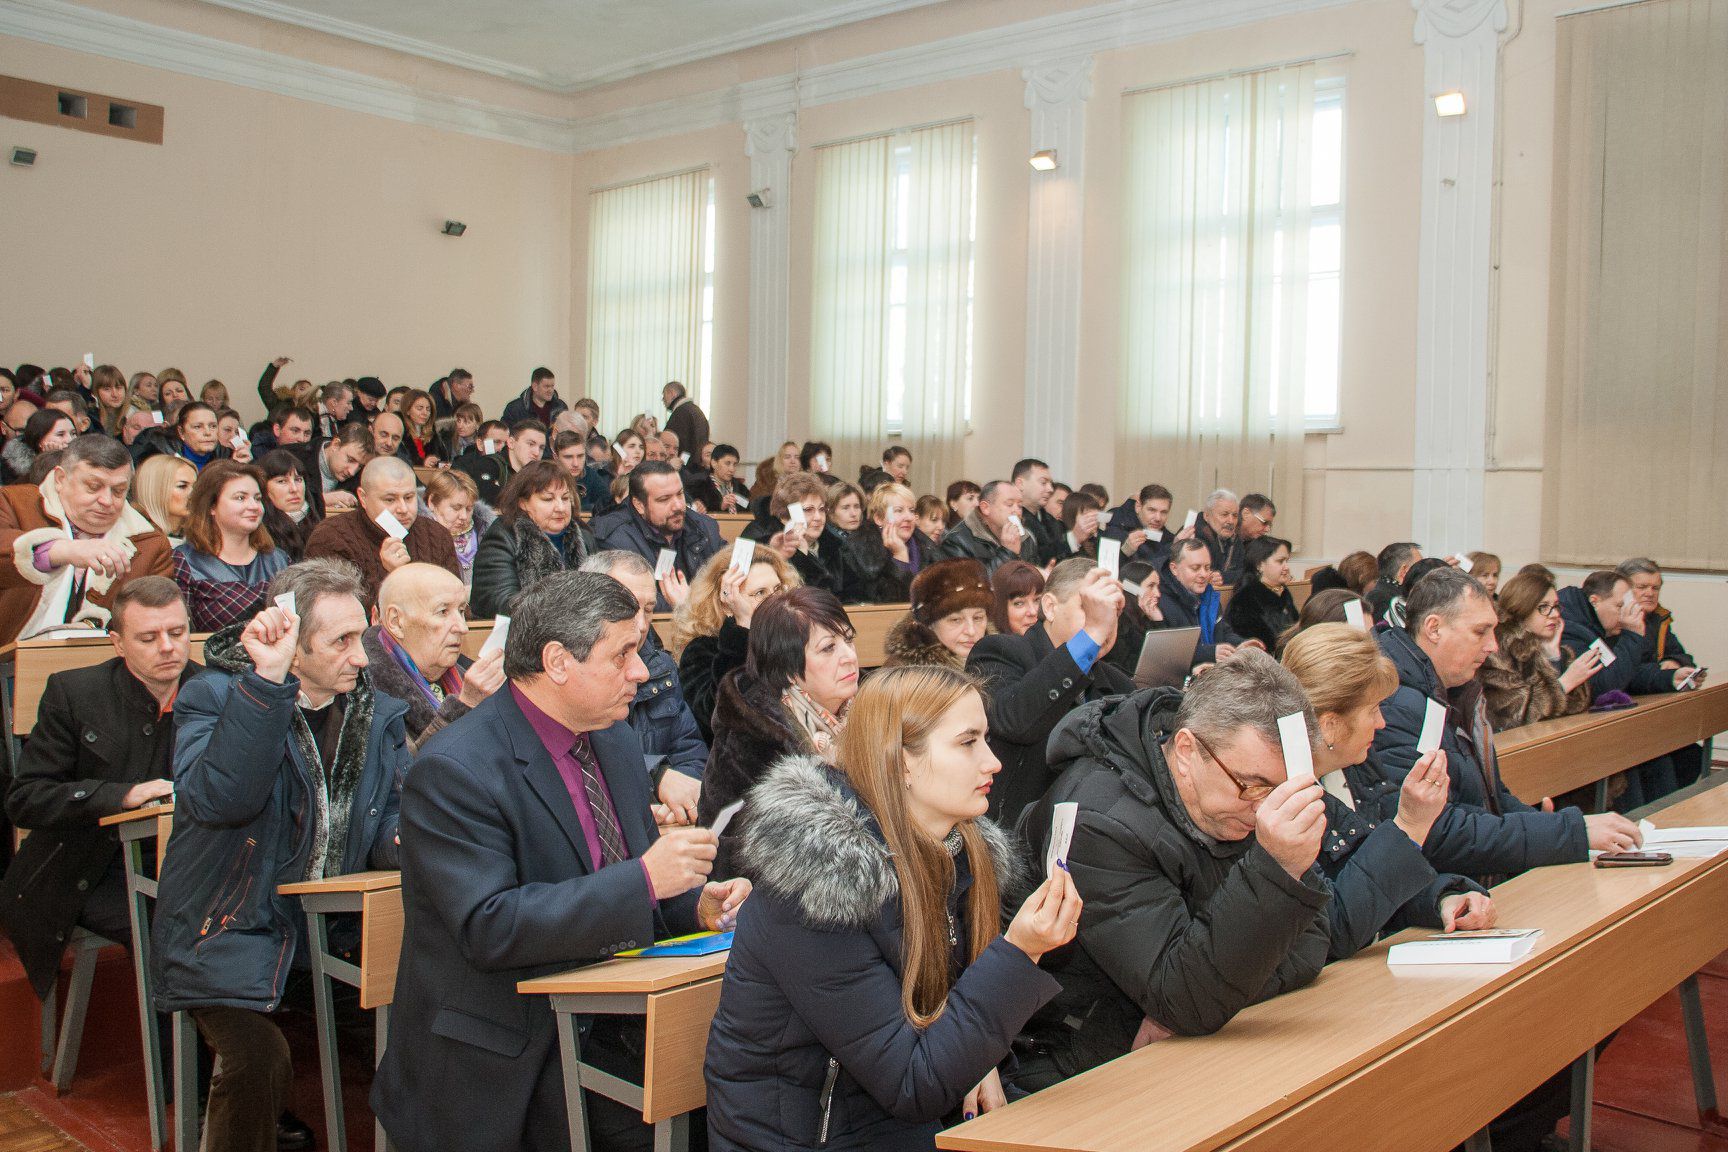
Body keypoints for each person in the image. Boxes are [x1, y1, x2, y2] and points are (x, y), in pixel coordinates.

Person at [373, 571, 748, 1152]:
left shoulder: (613, 739)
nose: (641, 672)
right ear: (557, 662)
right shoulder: (455, 768)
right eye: (622, 654)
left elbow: (630, 886)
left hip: (610, 1017)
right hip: (508, 1051)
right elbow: (489, 926)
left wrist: (695, 904)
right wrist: (647, 881)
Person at [705, 664, 1079, 1151]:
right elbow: (911, 1084)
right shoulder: (817, 892)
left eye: (985, 740)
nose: (993, 762)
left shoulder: (956, 853)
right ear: (901, 762)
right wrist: (1020, 952)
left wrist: (981, 1060)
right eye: (968, 743)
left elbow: (944, 1021)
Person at [152, 559, 405, 1152]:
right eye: (341, 641)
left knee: (433, 1032)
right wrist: (266, 684)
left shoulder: (375, 713)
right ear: (292, 644)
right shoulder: (216, 696)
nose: (361, 657)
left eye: (362, 637)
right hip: (227, 932)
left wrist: (403, 840)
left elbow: (385, 819)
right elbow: (220, 800)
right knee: (257, 1057)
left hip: (331, 931)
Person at [1013, 651, 1332, 1085]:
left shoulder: (1231, 800)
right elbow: (1188, 999)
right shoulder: (1099, 821)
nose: (1264, 811)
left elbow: (1313, 943)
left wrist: (1207, 992)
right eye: (1252, 786)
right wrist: (1275, 865)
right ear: (1186, 751)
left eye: (1280, 793)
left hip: (1181, 1051)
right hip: (1078, 1067)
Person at [1365, 567, 1641, 884]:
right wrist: (1565, 832)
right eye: (1480, 632)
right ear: (1434, 628)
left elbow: (1490, 797)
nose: (1493, 646)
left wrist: (1543, 826)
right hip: (1443, 889)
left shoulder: (1455, 691)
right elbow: (1438, 832)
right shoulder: (1397, 706)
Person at [0, 577, 195, 1002]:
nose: (167, 647)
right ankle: (186, 1047)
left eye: (177, 632)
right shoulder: (74, 692)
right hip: (88, 866)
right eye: (148, 638)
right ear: (118, 643)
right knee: (171, 931)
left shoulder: (214, 689)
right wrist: (120, 796)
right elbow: (26, 798)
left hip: (185, 862)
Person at [1280, 624, 1494, 958]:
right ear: (1330, 725)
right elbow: (1334, 927)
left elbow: (1372, 878)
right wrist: (1410, 824)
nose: (1381, 723)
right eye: (1373, 709)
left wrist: (1443, 898)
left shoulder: (1355, 765)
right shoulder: (1282, 799)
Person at [698, 587, 859, 874]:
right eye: (828, 648)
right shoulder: (753, 736)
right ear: (788, 669)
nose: (849, 656)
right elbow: (729, 850)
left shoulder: (874, 708)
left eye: (848, 640)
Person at [968, 561, 1135, 825]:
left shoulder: (1119, 684)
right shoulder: (1000, 651)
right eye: (1090, 609)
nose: (1105, 622)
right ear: (1050, 607)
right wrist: (1091, 635)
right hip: (1011, 828)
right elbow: (1015, 720)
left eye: (1112, 612)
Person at [0, 434, 175, 645]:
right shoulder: (12, 503)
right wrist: (60, 551)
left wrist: (96, 626)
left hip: (101, 661)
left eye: (118, 491)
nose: (106, 500)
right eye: (93, 487)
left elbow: (154, 618)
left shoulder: (150, 543)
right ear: (60, 479)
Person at [582, 551, 707, 826]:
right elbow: (582, 759)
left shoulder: (662, 668)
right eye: (627, 606)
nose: (640, 625)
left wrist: (679, 800)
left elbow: (691, 752)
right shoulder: (576, 670)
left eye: (648, 609)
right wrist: (657, 778)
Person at [363, 562, 504, 752]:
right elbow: (410, 768)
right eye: (443, 612)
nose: (462, 627)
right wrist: (464, 706)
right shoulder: (366, 693)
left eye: (461, 611)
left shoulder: (466, 671)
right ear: (396, 621)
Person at [669, 545, 800, 744]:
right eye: (760, 593)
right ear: (727, 604)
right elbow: (719, 714)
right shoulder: (702, 650)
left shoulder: (796, 639)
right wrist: (743, 626)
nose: (776, 600)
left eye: (777, 589)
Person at [303, 456, 459, 609]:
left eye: (409, 497)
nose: (403, 509)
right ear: (363, 498)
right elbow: (338, 615)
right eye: (390, 500)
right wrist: (391, 576)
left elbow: (457, 604)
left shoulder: (437, 535)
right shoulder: (330, 537)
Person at [172, 460, 293, 632]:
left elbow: (294, 622)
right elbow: (181, 631)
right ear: (211, 506)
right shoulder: (186, 561)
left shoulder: (279, 559)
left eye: (257, 499)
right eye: (240, 498)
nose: (254, 506)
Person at [1618, 556, 1706, 787]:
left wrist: (1673, 662)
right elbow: (1628, 671)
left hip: (1655, 707)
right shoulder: (1616, 622)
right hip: (1627, 708)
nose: (1650, 593)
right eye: (1642, 587)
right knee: (1661, 764)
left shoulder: (1658, 619)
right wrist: (1661, 672)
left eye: (1655, 588)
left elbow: (1683, 656)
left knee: (1693, 756)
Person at [471, 460, 595, 618]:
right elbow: (502, 603)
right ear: (523, 503)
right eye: (548, 499)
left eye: (565, 498)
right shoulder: (503, 537)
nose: (560, 508)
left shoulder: (585, 537)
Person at [594, 461, 724, 611]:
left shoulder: (702, 526)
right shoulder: (615, 537)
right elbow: (634, 600)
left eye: (680, 494)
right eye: (664, 499)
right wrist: (688, 605)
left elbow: (728, 573)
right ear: (639, 505)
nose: (678, 506)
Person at [1480, 570, 1599, 731]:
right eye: (1543, 607)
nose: (1554, 614)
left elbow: (1577, 704)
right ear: (1522, 608)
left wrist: (1554, 656)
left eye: (1556, 606)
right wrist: (1564, 684)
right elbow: (1514, 717)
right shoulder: (1496, 651)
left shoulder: (1551, 648)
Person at [1557, 569, 1695, 697]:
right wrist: (1632, 635)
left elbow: (1628, 673)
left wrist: (1669, 678)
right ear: (1595, 601)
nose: (1624, 616)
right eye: (1619, 606)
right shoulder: (1569, 629)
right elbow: (1603, 687)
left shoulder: (1602, 623)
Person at [744, 471, 843, 596]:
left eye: (822, 509)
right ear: (785, 514)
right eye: (808, 510)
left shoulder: (832, 544)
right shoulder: (759, 539)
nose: (818, 517)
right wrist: (800, 557)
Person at [1158, 538, 1255, 666]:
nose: (1204, 574)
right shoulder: (1160, 602)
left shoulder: (1209, 596)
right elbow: (1167, 653)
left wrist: (1241, 645)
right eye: (1195, 568)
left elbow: (1223, 632)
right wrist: (1210, 653)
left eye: (1207, 567)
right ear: (1174, 569)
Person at [885, 558, 992, 671]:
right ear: (929, 624)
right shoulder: (902, 672)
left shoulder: (998, 662)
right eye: (956, 620)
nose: (971, 631)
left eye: (978, 618)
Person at [839, 481, 931, 604]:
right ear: (879, 518)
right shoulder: (861, 550)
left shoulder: (925, 546)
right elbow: (886, 603)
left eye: (911, 510)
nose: (909, 517)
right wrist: (900, 557)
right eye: (899, 511)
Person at [935, 480, 1033, 574]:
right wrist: (1008, 552)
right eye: (1009, 504)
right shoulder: (956, 541)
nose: (1017, 511)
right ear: (985, 508)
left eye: (1020, 506)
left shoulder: (1025, 537)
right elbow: (973, 583)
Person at [1223, 535, 1298, 650]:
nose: (1286, 567)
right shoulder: (1245, 600)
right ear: (1259, 565)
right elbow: (1256, 646)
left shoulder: (1283, 594)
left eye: (1287, 561)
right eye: (1280, 561)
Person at [453, 418, 546, 506]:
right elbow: (487, 500)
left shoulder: (539, 475)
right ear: (511, 443)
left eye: (541, 448)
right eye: (530, 444)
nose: (537, 453)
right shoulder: (489, 464)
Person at [422, 468, 487, 586]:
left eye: (469, 509)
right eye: (456, 508)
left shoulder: (486, 533)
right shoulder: (419, 537)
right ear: (432, 502)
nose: (464, 516)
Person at [295, 421, 369, 516]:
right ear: (335, 445)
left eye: (360, 466)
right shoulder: (295, 459)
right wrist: (323, 499)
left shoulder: (360, 478)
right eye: (350, 459)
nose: (352, 472)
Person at [258, 448, 318, 562]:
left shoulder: (319, 526)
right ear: (263, 488)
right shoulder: (259, 532)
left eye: (298, 480)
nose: (294, 489)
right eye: (282, 481)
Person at [1103, 482, 1175, 570]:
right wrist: (1125, 551)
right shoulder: (1115, 531)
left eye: (1164, 512)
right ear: (1138, 507)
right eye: (1152, 510)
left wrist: (1176, 547)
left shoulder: (1169, 539)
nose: (1158, 518)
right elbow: (1106, 570)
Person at [130, 452, 197, 543]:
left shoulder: (200, 536)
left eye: (196, 486)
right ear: (155, 490)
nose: (194, 493)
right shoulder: (140, 539)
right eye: (182, 486)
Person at [165, 402, 252, 471]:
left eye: (213, 426)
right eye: (197, 427)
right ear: (181, 432)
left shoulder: (229, 456)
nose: (208, 432)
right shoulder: (165, 458)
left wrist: (238, 468)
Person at [1, 407, 76, 483]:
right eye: (60, 434)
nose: (70, 439)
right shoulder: (14, 472)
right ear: (40, 440)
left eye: (73, 433)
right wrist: (49, 460)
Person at [1010, 458, 1061, 562]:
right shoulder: (1007, 519)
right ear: (1020, 484)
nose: (1050, 489)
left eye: (1050, 484)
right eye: (1043, 482)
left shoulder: (1052, 522)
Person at [1192, 488, 1241, 586]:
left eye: (1235, 516)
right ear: (1206, 516)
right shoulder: (1195, 535)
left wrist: (1224, 577)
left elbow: (1245, 571)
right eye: (1224, 514)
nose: (1231, 521)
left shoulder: (1234, 537)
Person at [687, 441, 749, 514]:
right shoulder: (699, 487)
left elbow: (750, 511)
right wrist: (720, 507)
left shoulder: (741, 489)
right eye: (727, 463)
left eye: (735, 464)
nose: (732, 469)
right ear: (714, 463)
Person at [1366, 542, 1421, 623]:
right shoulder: (1382, 599)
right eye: (1420, 566)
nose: (1423, 571)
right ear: (1404, 571)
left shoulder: (1386, 594)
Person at [499, 365, 566, 430]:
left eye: (552, 386)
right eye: (546, 386)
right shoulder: (514, 409)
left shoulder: (560, 407)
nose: (551, 390)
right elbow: (506, 433)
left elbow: (567, 434)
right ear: (535, 386)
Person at [989, 560, 1044, 636]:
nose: (1033, 612)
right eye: (1019, 603)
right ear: (998, 607)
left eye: (1037, 600)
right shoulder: (985, 642)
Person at [661, 380, 709, 464]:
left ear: (671, 393)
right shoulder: (696, 411)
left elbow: (682, 444)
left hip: (685, 467)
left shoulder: (680, 413)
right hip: (698, 465)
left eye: (664, 395)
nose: (663, 399)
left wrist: (682, 464)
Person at [398, 389, 441, 467]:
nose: (425, 413)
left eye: (428, 409)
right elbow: (402, 461)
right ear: (407, 410)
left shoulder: (432, 433)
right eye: (419, 408)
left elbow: (443, 457)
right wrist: (422, 463)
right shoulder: (399, 431)